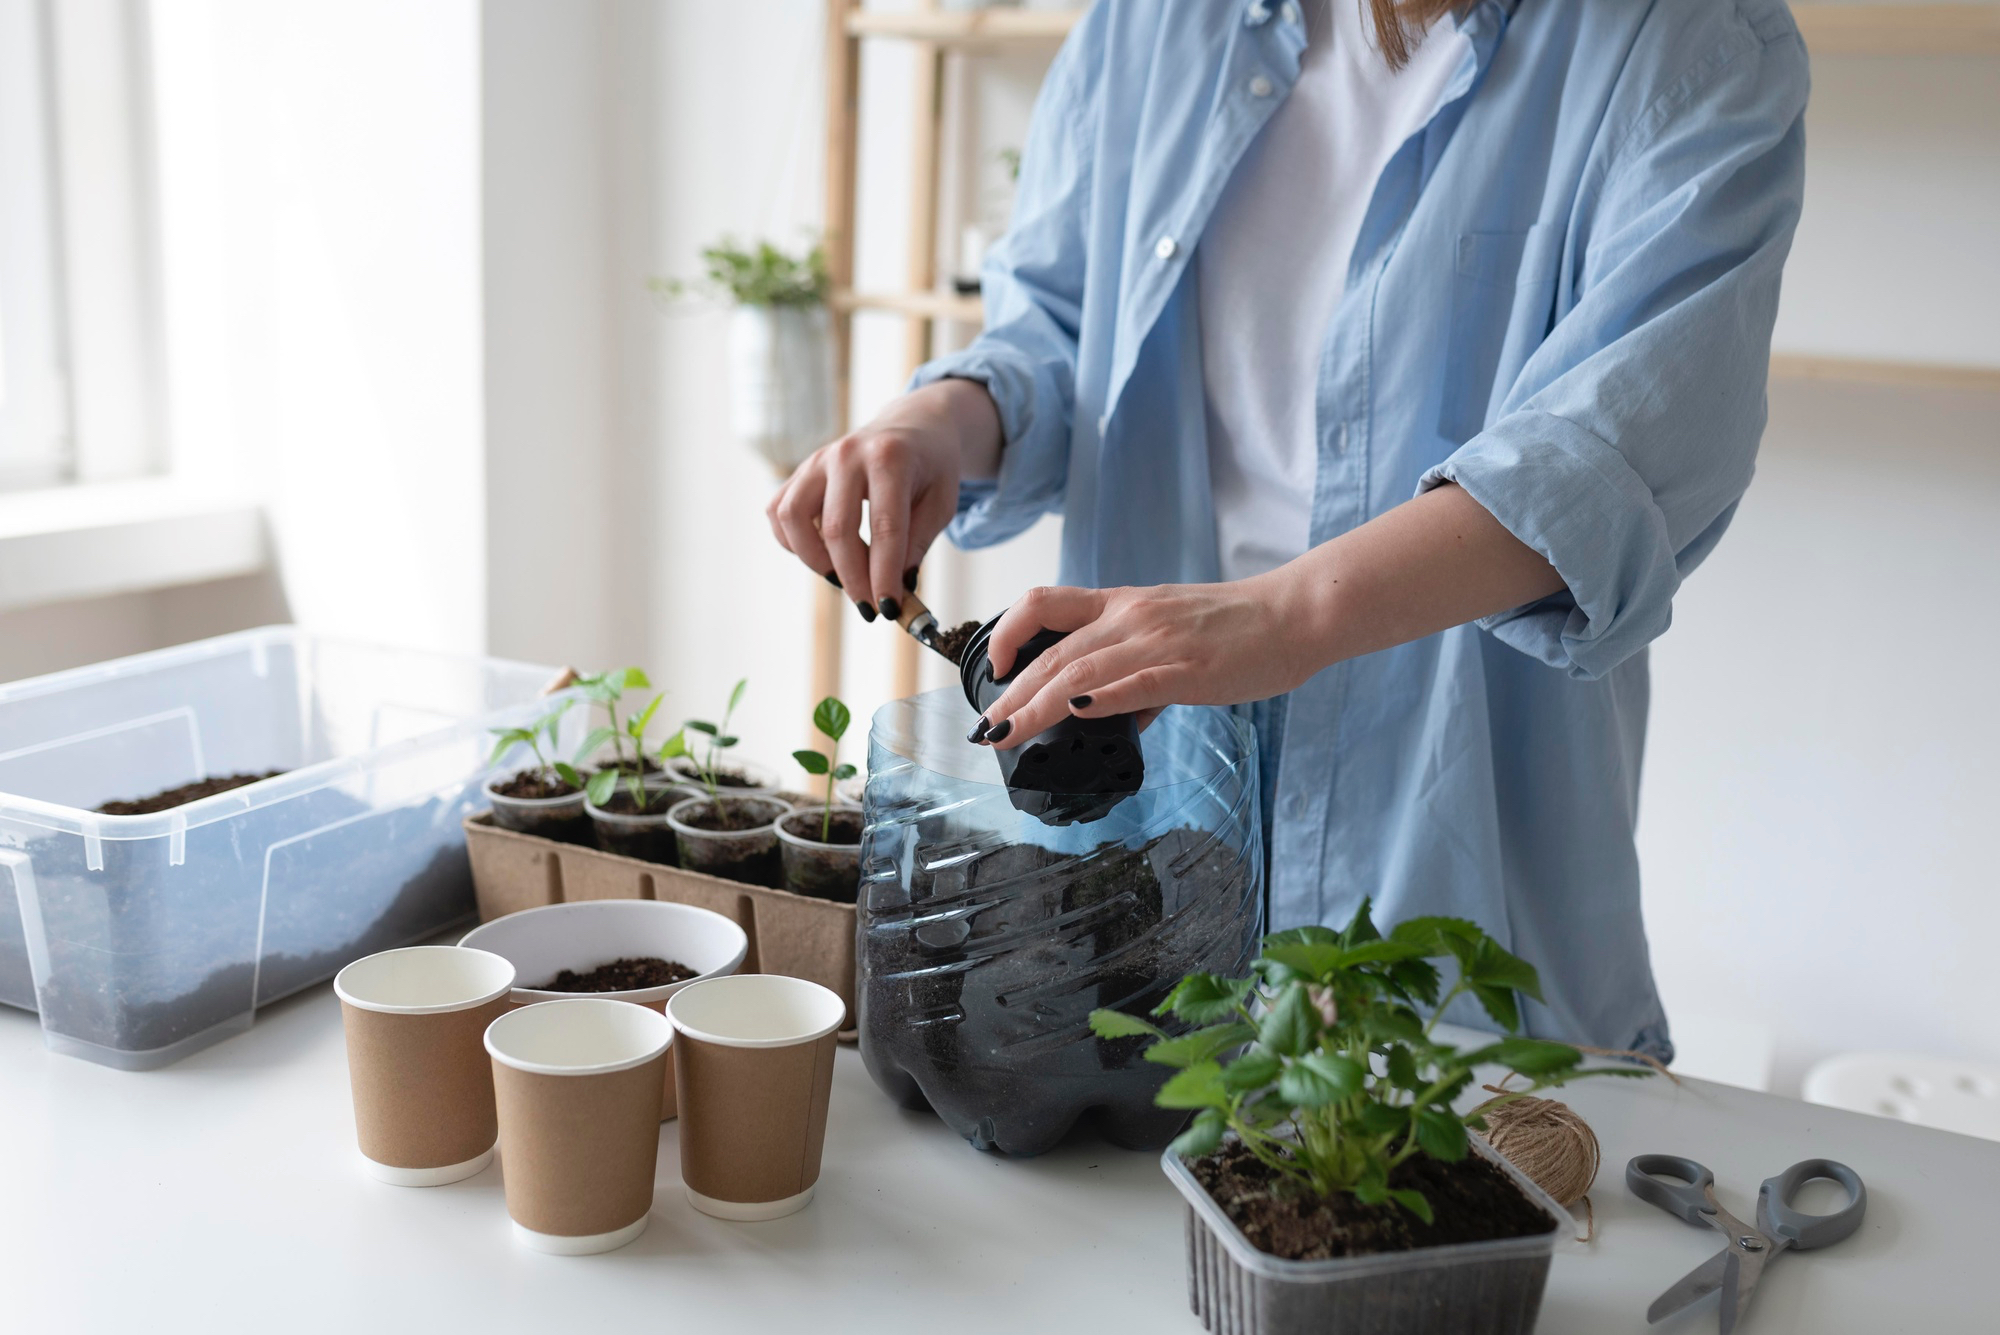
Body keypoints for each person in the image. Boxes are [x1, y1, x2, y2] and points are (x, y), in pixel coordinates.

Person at [767, 0, 1808, 1060]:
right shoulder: (1147, 25)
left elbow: (1614, 454)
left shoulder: (1684, 39)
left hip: (1450, 827)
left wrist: (1280, 617)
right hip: (1147, 821)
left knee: (1438, 1154)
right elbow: (1058, 326)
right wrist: (937, 423)